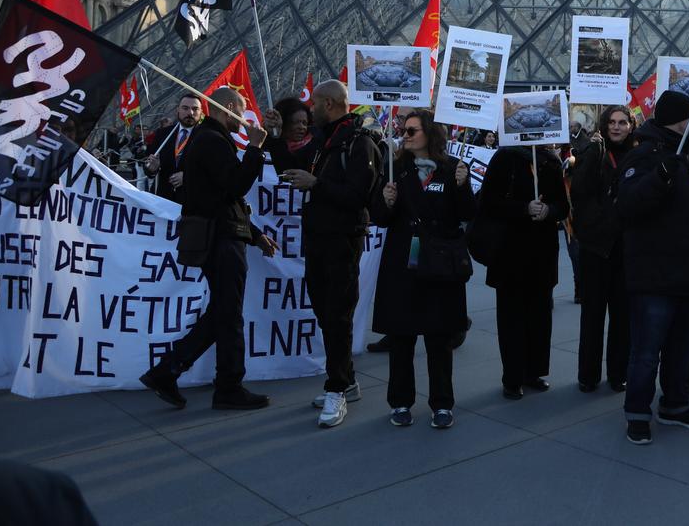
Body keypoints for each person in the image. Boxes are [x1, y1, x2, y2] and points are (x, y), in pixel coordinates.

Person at [140, 88, 277, 410]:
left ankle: (169, 370)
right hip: (221, 238)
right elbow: (236, 186)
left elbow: (224, 198)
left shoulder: (205, 139)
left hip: (219, 233)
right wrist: (255, 148)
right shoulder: (213, 141)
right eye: (242, 111)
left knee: (222, 312)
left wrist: (254, 234)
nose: (244, 120)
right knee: (229, 316)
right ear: (228, 108)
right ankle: (227, 386)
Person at [616, 91, 689, 445]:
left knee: (681, 348)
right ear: (681, 119)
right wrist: (660, 175)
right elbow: (628, 203)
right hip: (655, 274)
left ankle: (675, 404)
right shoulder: (645, 156)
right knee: (646, 351)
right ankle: (637, 413)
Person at [281, 80, 381, 429]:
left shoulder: (359, 143)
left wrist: (316, 185)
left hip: (342, 239)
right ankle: (346, 380)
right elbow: (291, 162)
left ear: (332, 103)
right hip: (320, 238)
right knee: (326, 313)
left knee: (337, 315)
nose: (310, 109)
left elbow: (358, 195)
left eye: (316, 103)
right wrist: (272, 136)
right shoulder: (326, 142)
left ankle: (337, 387)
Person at [369, 110, 474, 430]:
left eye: (413, 129)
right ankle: (400, 402)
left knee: (439, 339)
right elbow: (378, 218)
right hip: (405, 261)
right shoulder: (394, 169)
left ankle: (442, 403)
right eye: (404, 129)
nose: (406, 134)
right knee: (402, 337)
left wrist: (462, 185)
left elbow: (468, 212)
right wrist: (385, 202)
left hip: (439, 264)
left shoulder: (451, 169)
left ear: (430, 133)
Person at [478, 140, 569, 399]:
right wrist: (524, 208)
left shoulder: (550, 162)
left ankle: (534, 371)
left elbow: (563, 205)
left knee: (540, 315)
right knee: (511, 317)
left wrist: (548, 211)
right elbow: (489, 202)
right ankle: (513, 376)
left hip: (542, 253)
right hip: (510, 252)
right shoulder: (505, 158)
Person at [570, 105, 635, 393]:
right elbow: (580, 194)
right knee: (592, 316)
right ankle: (588, 375)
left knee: (623, 318)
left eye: (623, 122)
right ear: (604, 125)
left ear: (631, 125)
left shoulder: (638, 155)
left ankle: (618, 373)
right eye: (612, 122)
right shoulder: (595, 153)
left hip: (626, 249)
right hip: (597, 248)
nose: (617, 127)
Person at [145, 94, 204, 204]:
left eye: (195, 109)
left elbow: (212, 170)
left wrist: (188, 177)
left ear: (201, 112)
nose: (190, 113)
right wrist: (152, 169)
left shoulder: (207, 136)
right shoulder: (163, 134)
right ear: (177, 110)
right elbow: (149, 167)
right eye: (185, 108)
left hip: (192, 203)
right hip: (164, 199)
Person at [262, 97, 317, 173]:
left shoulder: (315, 149)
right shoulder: (264, 144)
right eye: (295, 122)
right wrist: (274, 138)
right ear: (283, 122)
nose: (301, 127)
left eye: (304, 123)